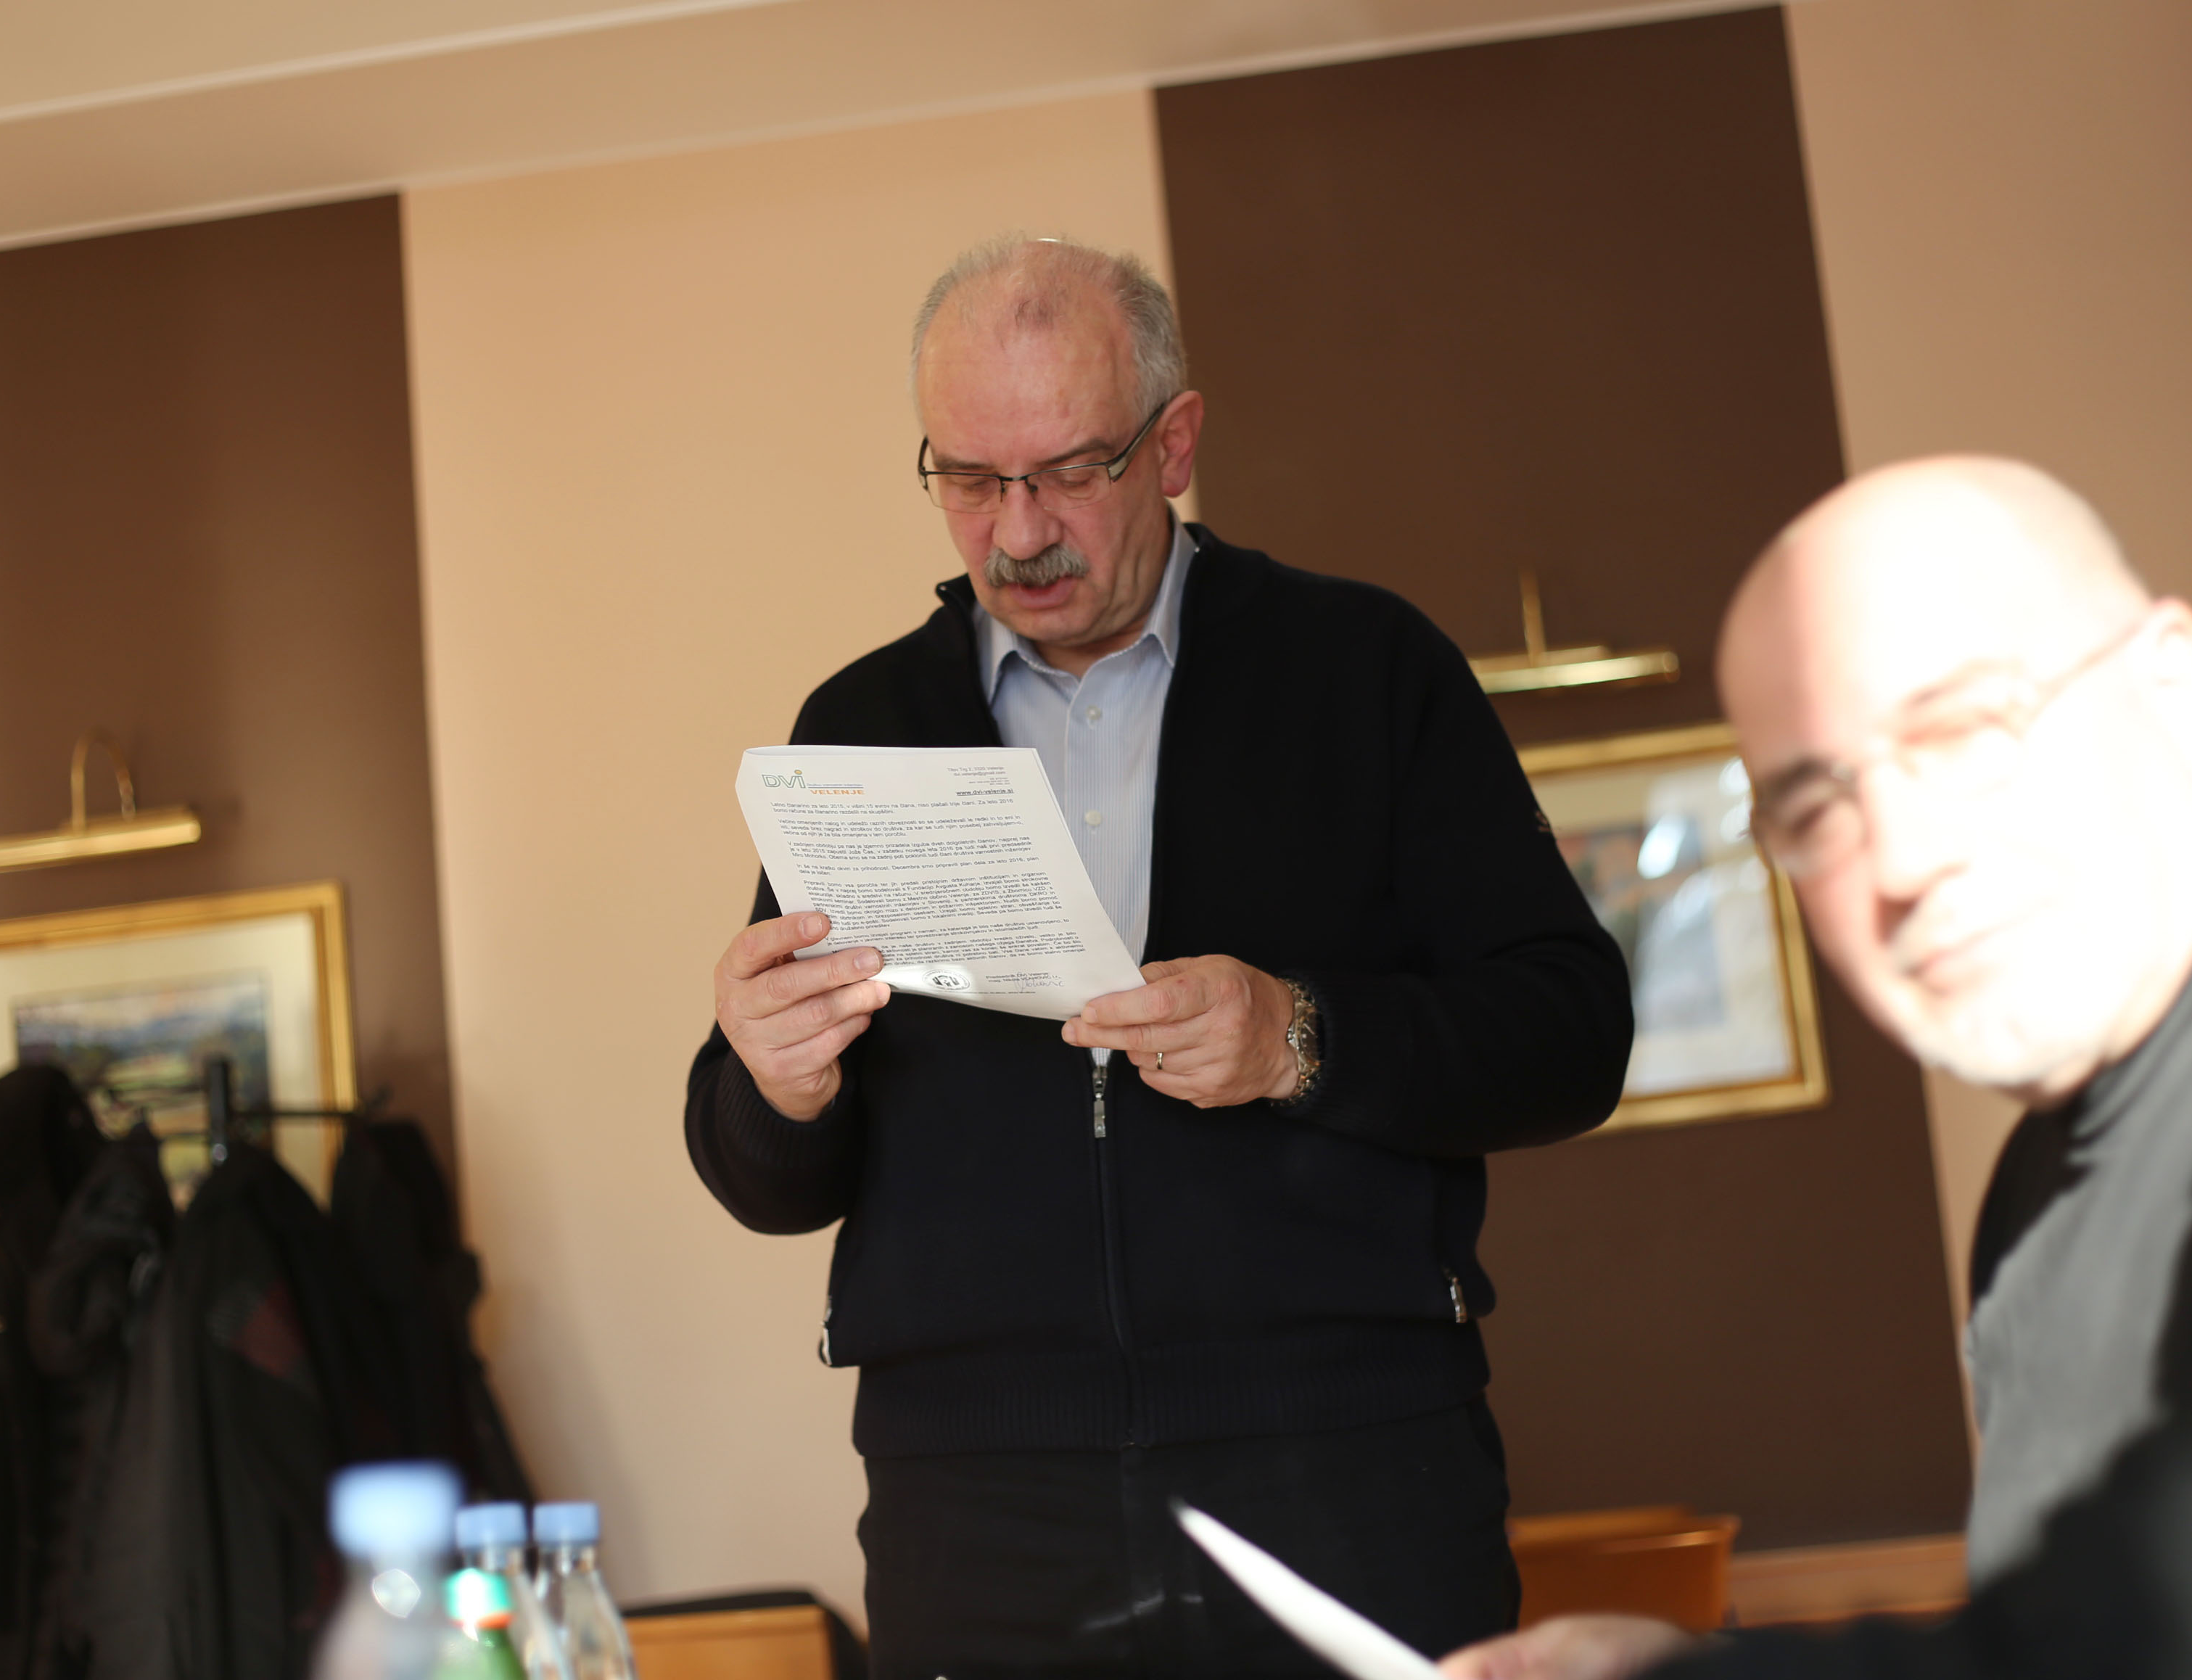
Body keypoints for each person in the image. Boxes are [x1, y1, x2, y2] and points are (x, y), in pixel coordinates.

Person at [682, 234, 1634, 1678]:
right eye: (968, 479)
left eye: (1069, 470)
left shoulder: (1370, 670)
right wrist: (773, 1084)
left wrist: (1299, 1037)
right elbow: (766, 1178)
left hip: (1346, 1465)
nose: (1018, 533)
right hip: (974, 1507)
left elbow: (1571, 1034)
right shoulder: (858, 728)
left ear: (1174, 443)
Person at [1443, 457, 2192, 1679]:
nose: (1898, 859)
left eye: (1961, 731)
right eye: (1816, 806)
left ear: (2171, 684)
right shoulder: (2042, 1181)